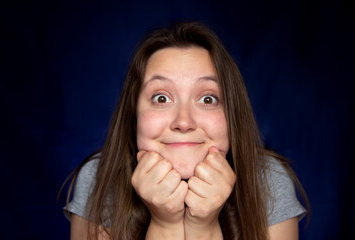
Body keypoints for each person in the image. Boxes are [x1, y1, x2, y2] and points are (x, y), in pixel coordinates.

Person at [63, 22, 308, 240]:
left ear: (232, 116)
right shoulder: (99, 177)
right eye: (161, 98)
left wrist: (204, 228)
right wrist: (165, 225)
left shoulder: (267, 181)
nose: (183, 121)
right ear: (134, 116)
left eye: (208, 99)